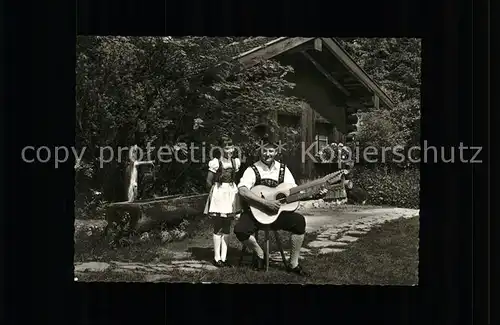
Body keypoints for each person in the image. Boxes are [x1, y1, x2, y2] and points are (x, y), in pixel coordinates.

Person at [234, 124, 326, 276]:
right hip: (256, 214)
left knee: (299, 222)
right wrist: (265, 203)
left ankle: (293, 263)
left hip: (276, 215)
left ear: (276, 151)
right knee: (240, 230)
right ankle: (259, 252)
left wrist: (312, 193)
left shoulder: (283, 169)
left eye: (271, 150)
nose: (267, 154)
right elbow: (242, 190)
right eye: (264, 150)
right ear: (260, 151)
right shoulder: (252, 169)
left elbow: (293, 191)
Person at [203, 136, 242, 267]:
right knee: (218, 226)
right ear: (220, 149)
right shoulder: (216, 162)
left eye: (231, 147)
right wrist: (214, 192)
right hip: (219, 193)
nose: (229, 150)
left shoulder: (235, 162)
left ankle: (224, 258)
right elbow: (208, 181)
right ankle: (216, 257)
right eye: (226, 147)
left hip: (231, 193)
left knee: (227, 225)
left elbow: (236, 178)